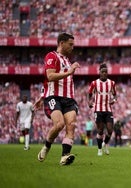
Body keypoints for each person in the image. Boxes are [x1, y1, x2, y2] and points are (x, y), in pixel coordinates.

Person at [34, 32, 80, 165]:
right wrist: (69, 72)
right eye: (70, 44)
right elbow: (50, 77)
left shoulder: (67, 60)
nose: (72, 47)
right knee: (59, 124)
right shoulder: (51, 56)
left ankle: (64, 157)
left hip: (69, 99)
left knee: (71, 125)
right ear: (61, 43)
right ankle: (47, 146)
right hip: (54, 97)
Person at [88, 63, 117, 156]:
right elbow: (89, 94)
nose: (104, 73)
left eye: (106, 72)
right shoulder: (94, 83)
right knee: (100, 130)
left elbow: (115, 95)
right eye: (102, 72)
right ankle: (99, 149)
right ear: (99, 72)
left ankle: (105, 143)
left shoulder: (112, 83)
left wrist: (114, 100)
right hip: (98, 109)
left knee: (110, 130)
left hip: (108, 109)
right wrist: (89, 101)